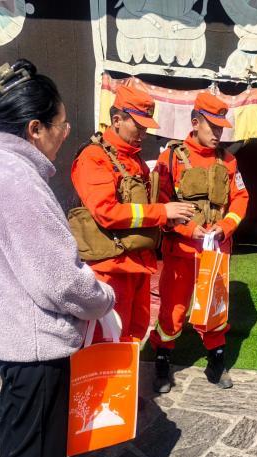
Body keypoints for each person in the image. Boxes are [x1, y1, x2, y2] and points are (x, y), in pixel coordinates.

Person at [0, 59, 116, 457]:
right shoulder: (15, 180)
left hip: (12, 331)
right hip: (32, 341)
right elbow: (58, 280)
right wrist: (103, 299)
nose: (65, 133)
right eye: (61, 124)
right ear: (34, 128)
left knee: (24, 443)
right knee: (39, 453)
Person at [70, 84, 194, 341]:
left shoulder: (134, 160)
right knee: (107, 342)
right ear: (116, 120)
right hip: (110, 270)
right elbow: (106, 212)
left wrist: (168, 221)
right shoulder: (94, 158)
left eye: (146, 127)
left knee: (134, 335)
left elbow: (143, 210)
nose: (143, 133)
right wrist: (162, 212)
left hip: (138, 266)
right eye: (138, 126)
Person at [148, 92, 249, 393]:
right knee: (173, 310)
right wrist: (189, 229)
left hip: (216, 250)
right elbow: (160, 203)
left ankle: (216, 359)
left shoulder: (229, 161)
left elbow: (241, 199)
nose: (218, 134)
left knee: (215, 309)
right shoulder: (170, 158)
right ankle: (163, 359)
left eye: (221, 128)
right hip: (181, 251)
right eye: (212, 127)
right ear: (195, 123)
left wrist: (225, 226)